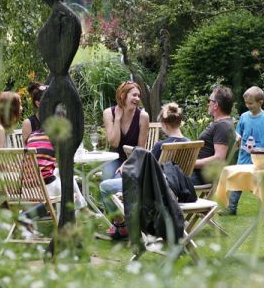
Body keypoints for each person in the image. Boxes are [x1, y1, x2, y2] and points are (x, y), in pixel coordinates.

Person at [100, 101, 184, 240]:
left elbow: (144, 168)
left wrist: (126, 166)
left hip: (154, 191)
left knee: (105, 187)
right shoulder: (190, 143)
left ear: (164, 125)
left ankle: (122, 225)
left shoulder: (160, 146)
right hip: (177, 191)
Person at [219, 86, 264, 216]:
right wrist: (236, 141)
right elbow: (238, 134)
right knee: (237, 182)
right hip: (243, 157)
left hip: (259, 159)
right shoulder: (244, 117)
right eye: (246, 103)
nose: (248, 106)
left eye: (251, 103)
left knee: (260, 183)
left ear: (260, 102)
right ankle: (231, 208)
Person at [102, 81, 150, 180]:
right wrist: (117, 119)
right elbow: (114, 143)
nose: (137, 98)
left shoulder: (143, 116)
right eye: (134, 95)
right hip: (115, 158)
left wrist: (126, 164)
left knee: (118, 179)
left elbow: (141, 149)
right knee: (106, 176)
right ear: (123, 95)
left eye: (139, 96)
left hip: (134, 159)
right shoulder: (108, 113)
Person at [193, 86, 236, 185]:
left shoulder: (222, 126)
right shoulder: (225, 123)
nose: (208, 104)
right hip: (196, 173)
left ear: (216, 105)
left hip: (200, 176)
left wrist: (192, 163)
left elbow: (219, 158)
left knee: (163, 179)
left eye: (209, 101)